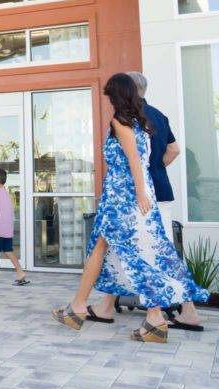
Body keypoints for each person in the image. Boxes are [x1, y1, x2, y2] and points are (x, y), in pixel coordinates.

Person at [52, 73, 208, 342]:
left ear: (118, 95)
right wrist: (143, 191)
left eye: (110, 94)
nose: (108, 99)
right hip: (129, 195)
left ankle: (79, 308)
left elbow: (135, 159)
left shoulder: (120, 122)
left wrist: (140, 193)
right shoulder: (140, 122)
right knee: (139, 251)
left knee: (113, 249)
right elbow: (151, 158)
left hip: (122, 198)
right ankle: (152, 319)